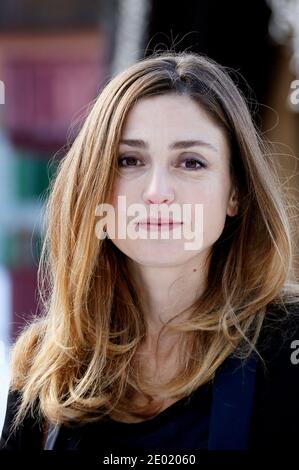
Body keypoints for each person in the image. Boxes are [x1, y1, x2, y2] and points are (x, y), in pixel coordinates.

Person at [1, 50, 299, 452]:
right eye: (129, 160)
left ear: (236, 192)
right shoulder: (45, 367)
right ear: (95, 183)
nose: (157, 193)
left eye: (191, 162)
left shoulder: (290, 346)